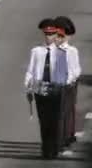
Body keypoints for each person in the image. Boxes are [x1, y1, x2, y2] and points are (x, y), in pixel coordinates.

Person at [24, 18, 65, 159]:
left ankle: (53, 147)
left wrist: (59, 84)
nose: (49, 37)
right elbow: (30, 71)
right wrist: (28, 87)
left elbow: (62, 72)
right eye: (47, 34)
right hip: (40, 90)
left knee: (54, 120)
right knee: (44, 120)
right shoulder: (36, 51)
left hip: (55, 90)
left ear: (56, 35)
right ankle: (45, 148)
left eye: (52, 34)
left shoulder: (61, 53)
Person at [53, 16, 81, 149]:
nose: (66, 39)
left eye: (66, 36)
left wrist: (70, 80)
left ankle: (68, 134)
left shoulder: (72, 51)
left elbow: (76, 69)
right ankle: (59, 137)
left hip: (69, 84)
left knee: (68, 110)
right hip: (55, 84)